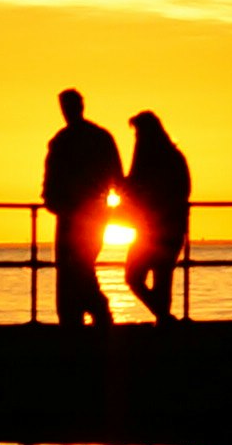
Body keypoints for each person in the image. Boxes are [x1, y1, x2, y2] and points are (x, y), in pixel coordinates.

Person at [37, 87, 126, 326]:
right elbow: (117, 176)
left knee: (73, 267)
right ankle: (87, 314)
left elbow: (52, 175)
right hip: (90, 212)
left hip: (75, 213)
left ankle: (88, 313)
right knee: (79, 265)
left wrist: (51, 199)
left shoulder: (63, 140)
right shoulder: (98, 137)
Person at [122, 109, 195, 322]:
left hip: (152, 228)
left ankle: (164, 318)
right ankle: (164, 318)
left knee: (134, 276)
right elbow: (184, 190)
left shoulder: (153, 160)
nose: (136, 139)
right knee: (161, 278)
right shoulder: (174, 157)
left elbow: (138, 187)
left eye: (137, 134)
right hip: (171, 227)